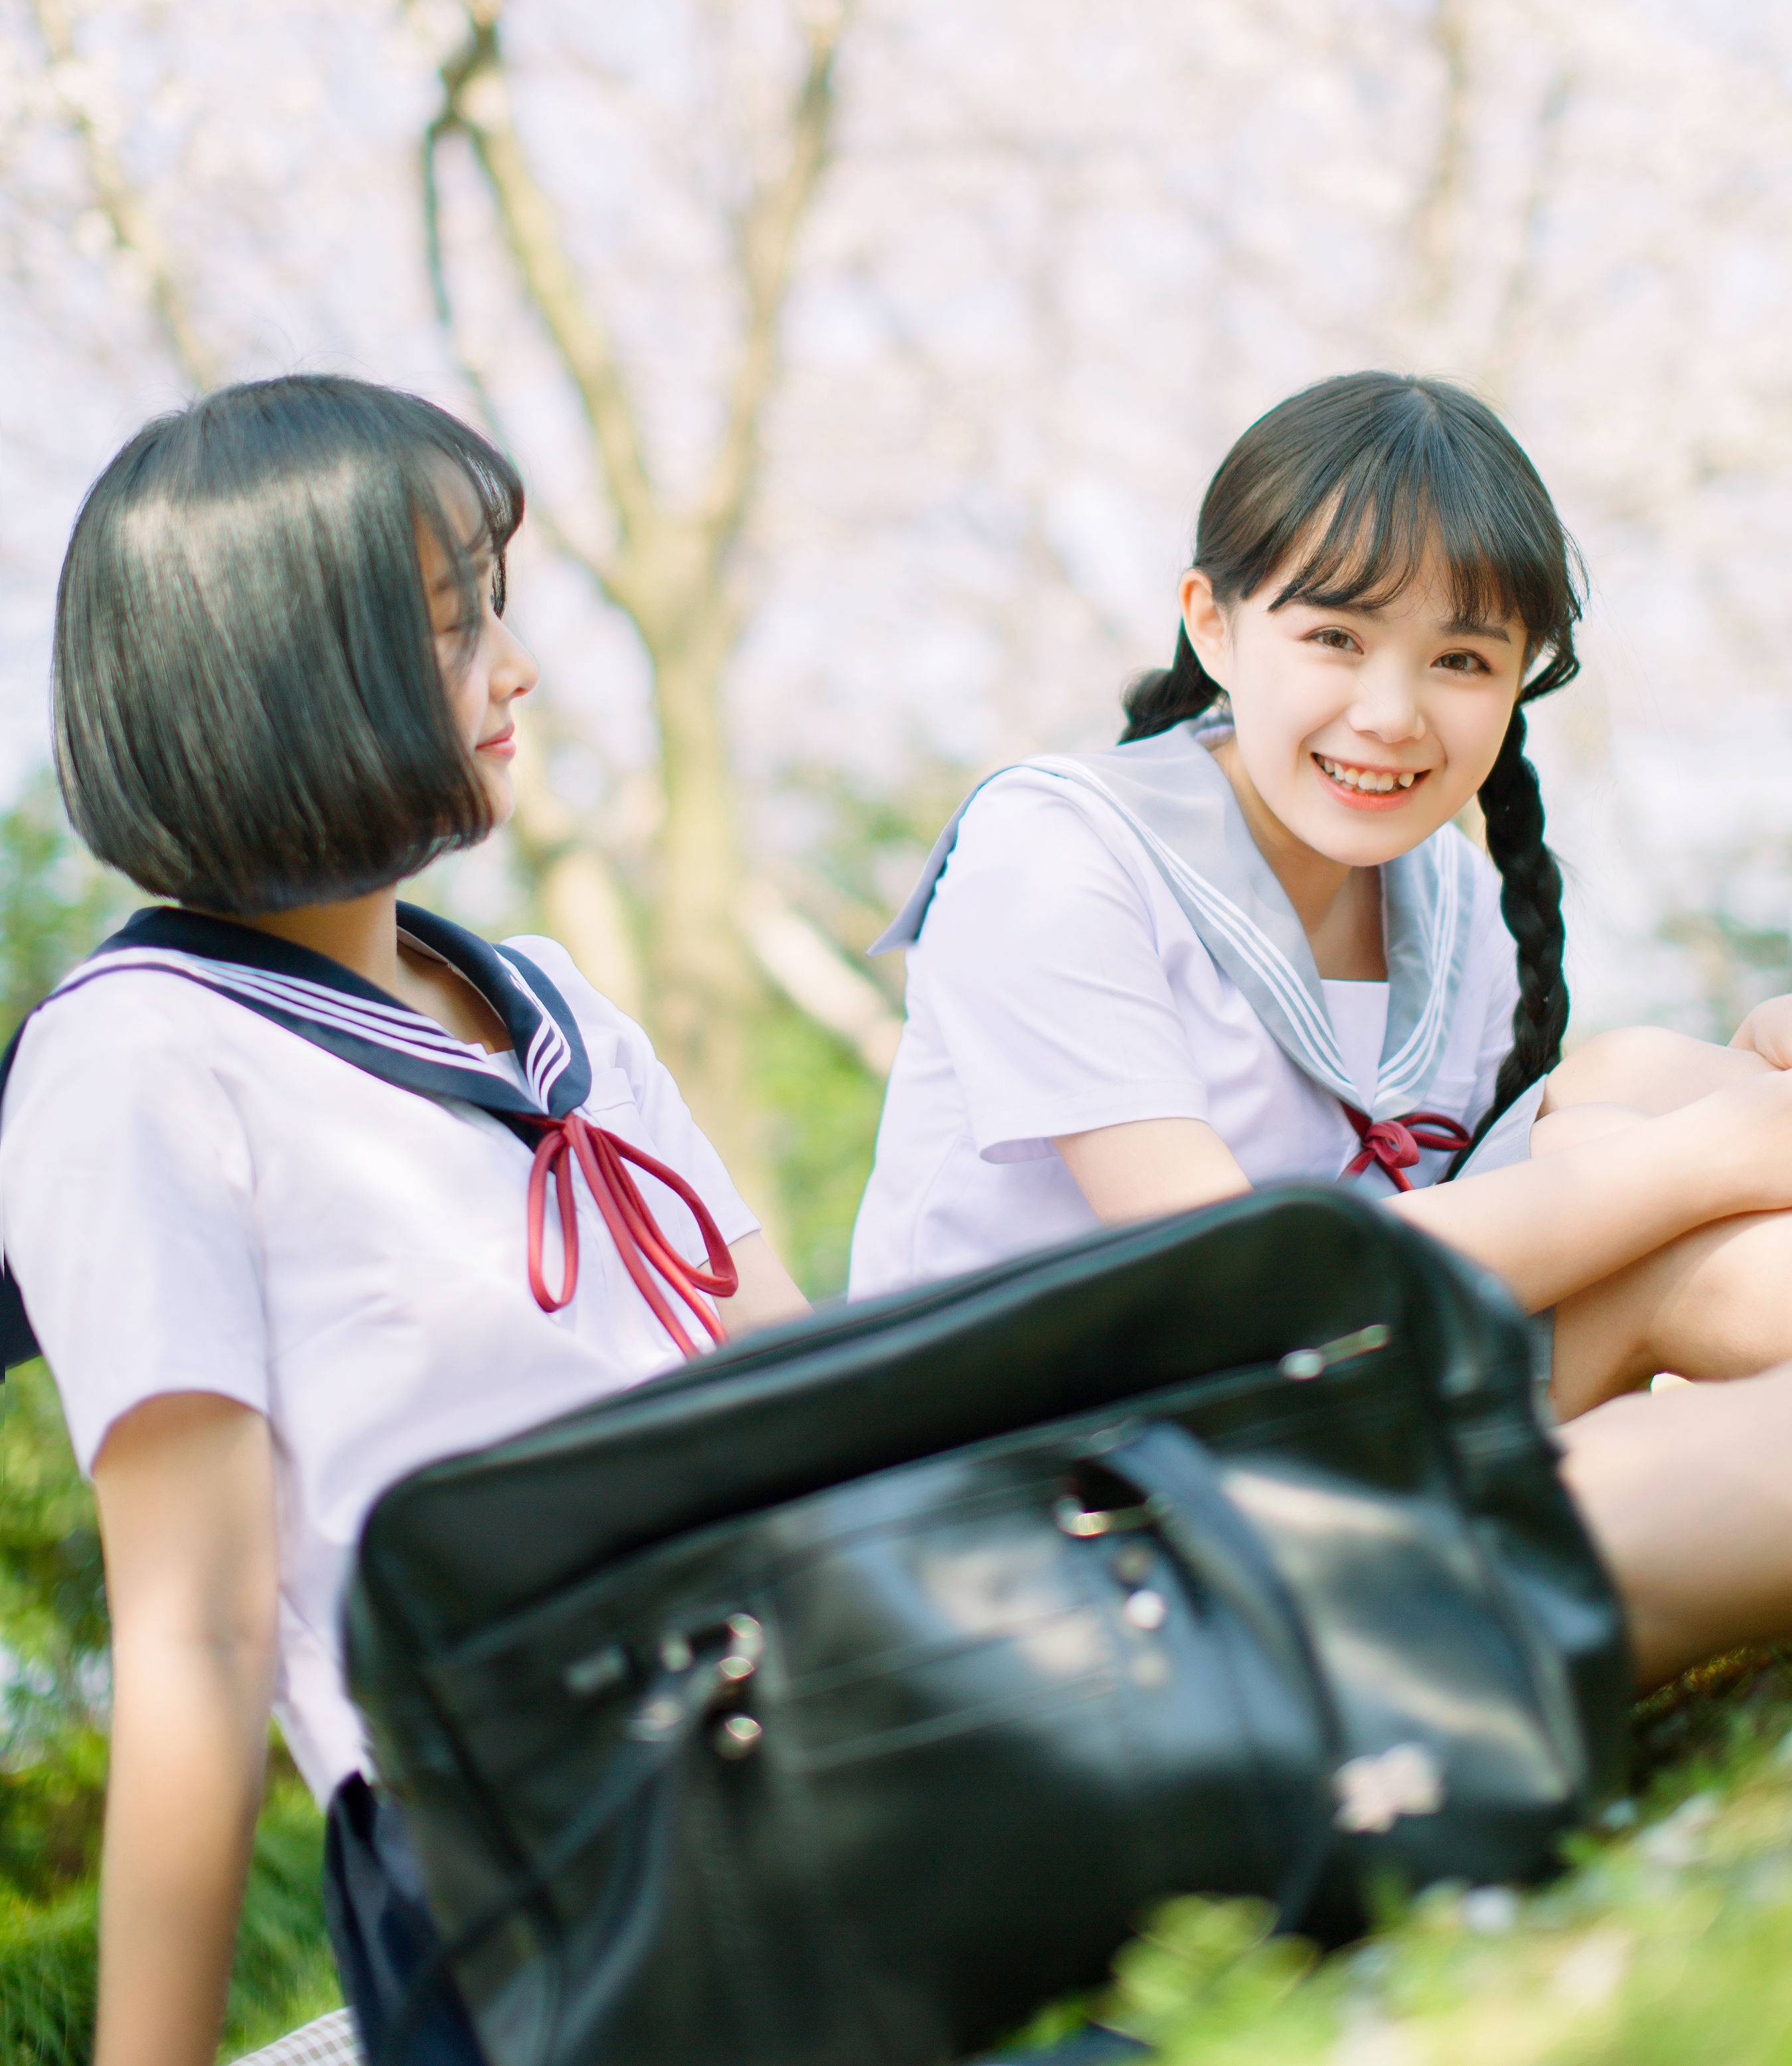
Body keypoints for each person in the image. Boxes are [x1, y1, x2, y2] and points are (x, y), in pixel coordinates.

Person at [0, 376, 807, 2066]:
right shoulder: (138, 1061)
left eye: (497, 611)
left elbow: (791, 1370)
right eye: (453, 629)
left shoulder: (549, 1000)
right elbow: (197, 1634)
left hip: (802, 1729)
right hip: (529, 1853)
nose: (515, 669)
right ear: (282, 675)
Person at [850, 370, 1792, 1423]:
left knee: (1641, 1084)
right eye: (1336, 637)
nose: (1391, 714)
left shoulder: (1455, 901)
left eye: (1462, 660)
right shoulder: (1053, 856)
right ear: (1213, 623)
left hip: (1317, 1417)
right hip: (1039, 1482)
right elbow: (1244, 1298)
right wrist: (1716, 1150)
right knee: (1685, 1212)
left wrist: (1734, 1095)